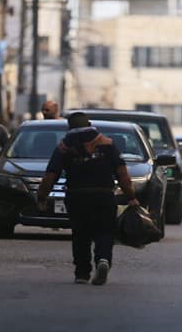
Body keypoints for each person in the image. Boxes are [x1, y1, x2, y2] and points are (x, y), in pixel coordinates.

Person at [37, 113, 140, 286]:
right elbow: (123, 174)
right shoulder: (108, 144)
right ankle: (103, 259)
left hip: (76, 196)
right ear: (90, 124)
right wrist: (131, 197)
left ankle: (82, 273)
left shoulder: (64, 147)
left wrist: (42, 197)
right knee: (105, 230)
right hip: (104, 195)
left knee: (80, 234)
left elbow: (50, 176)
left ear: (69, 127)